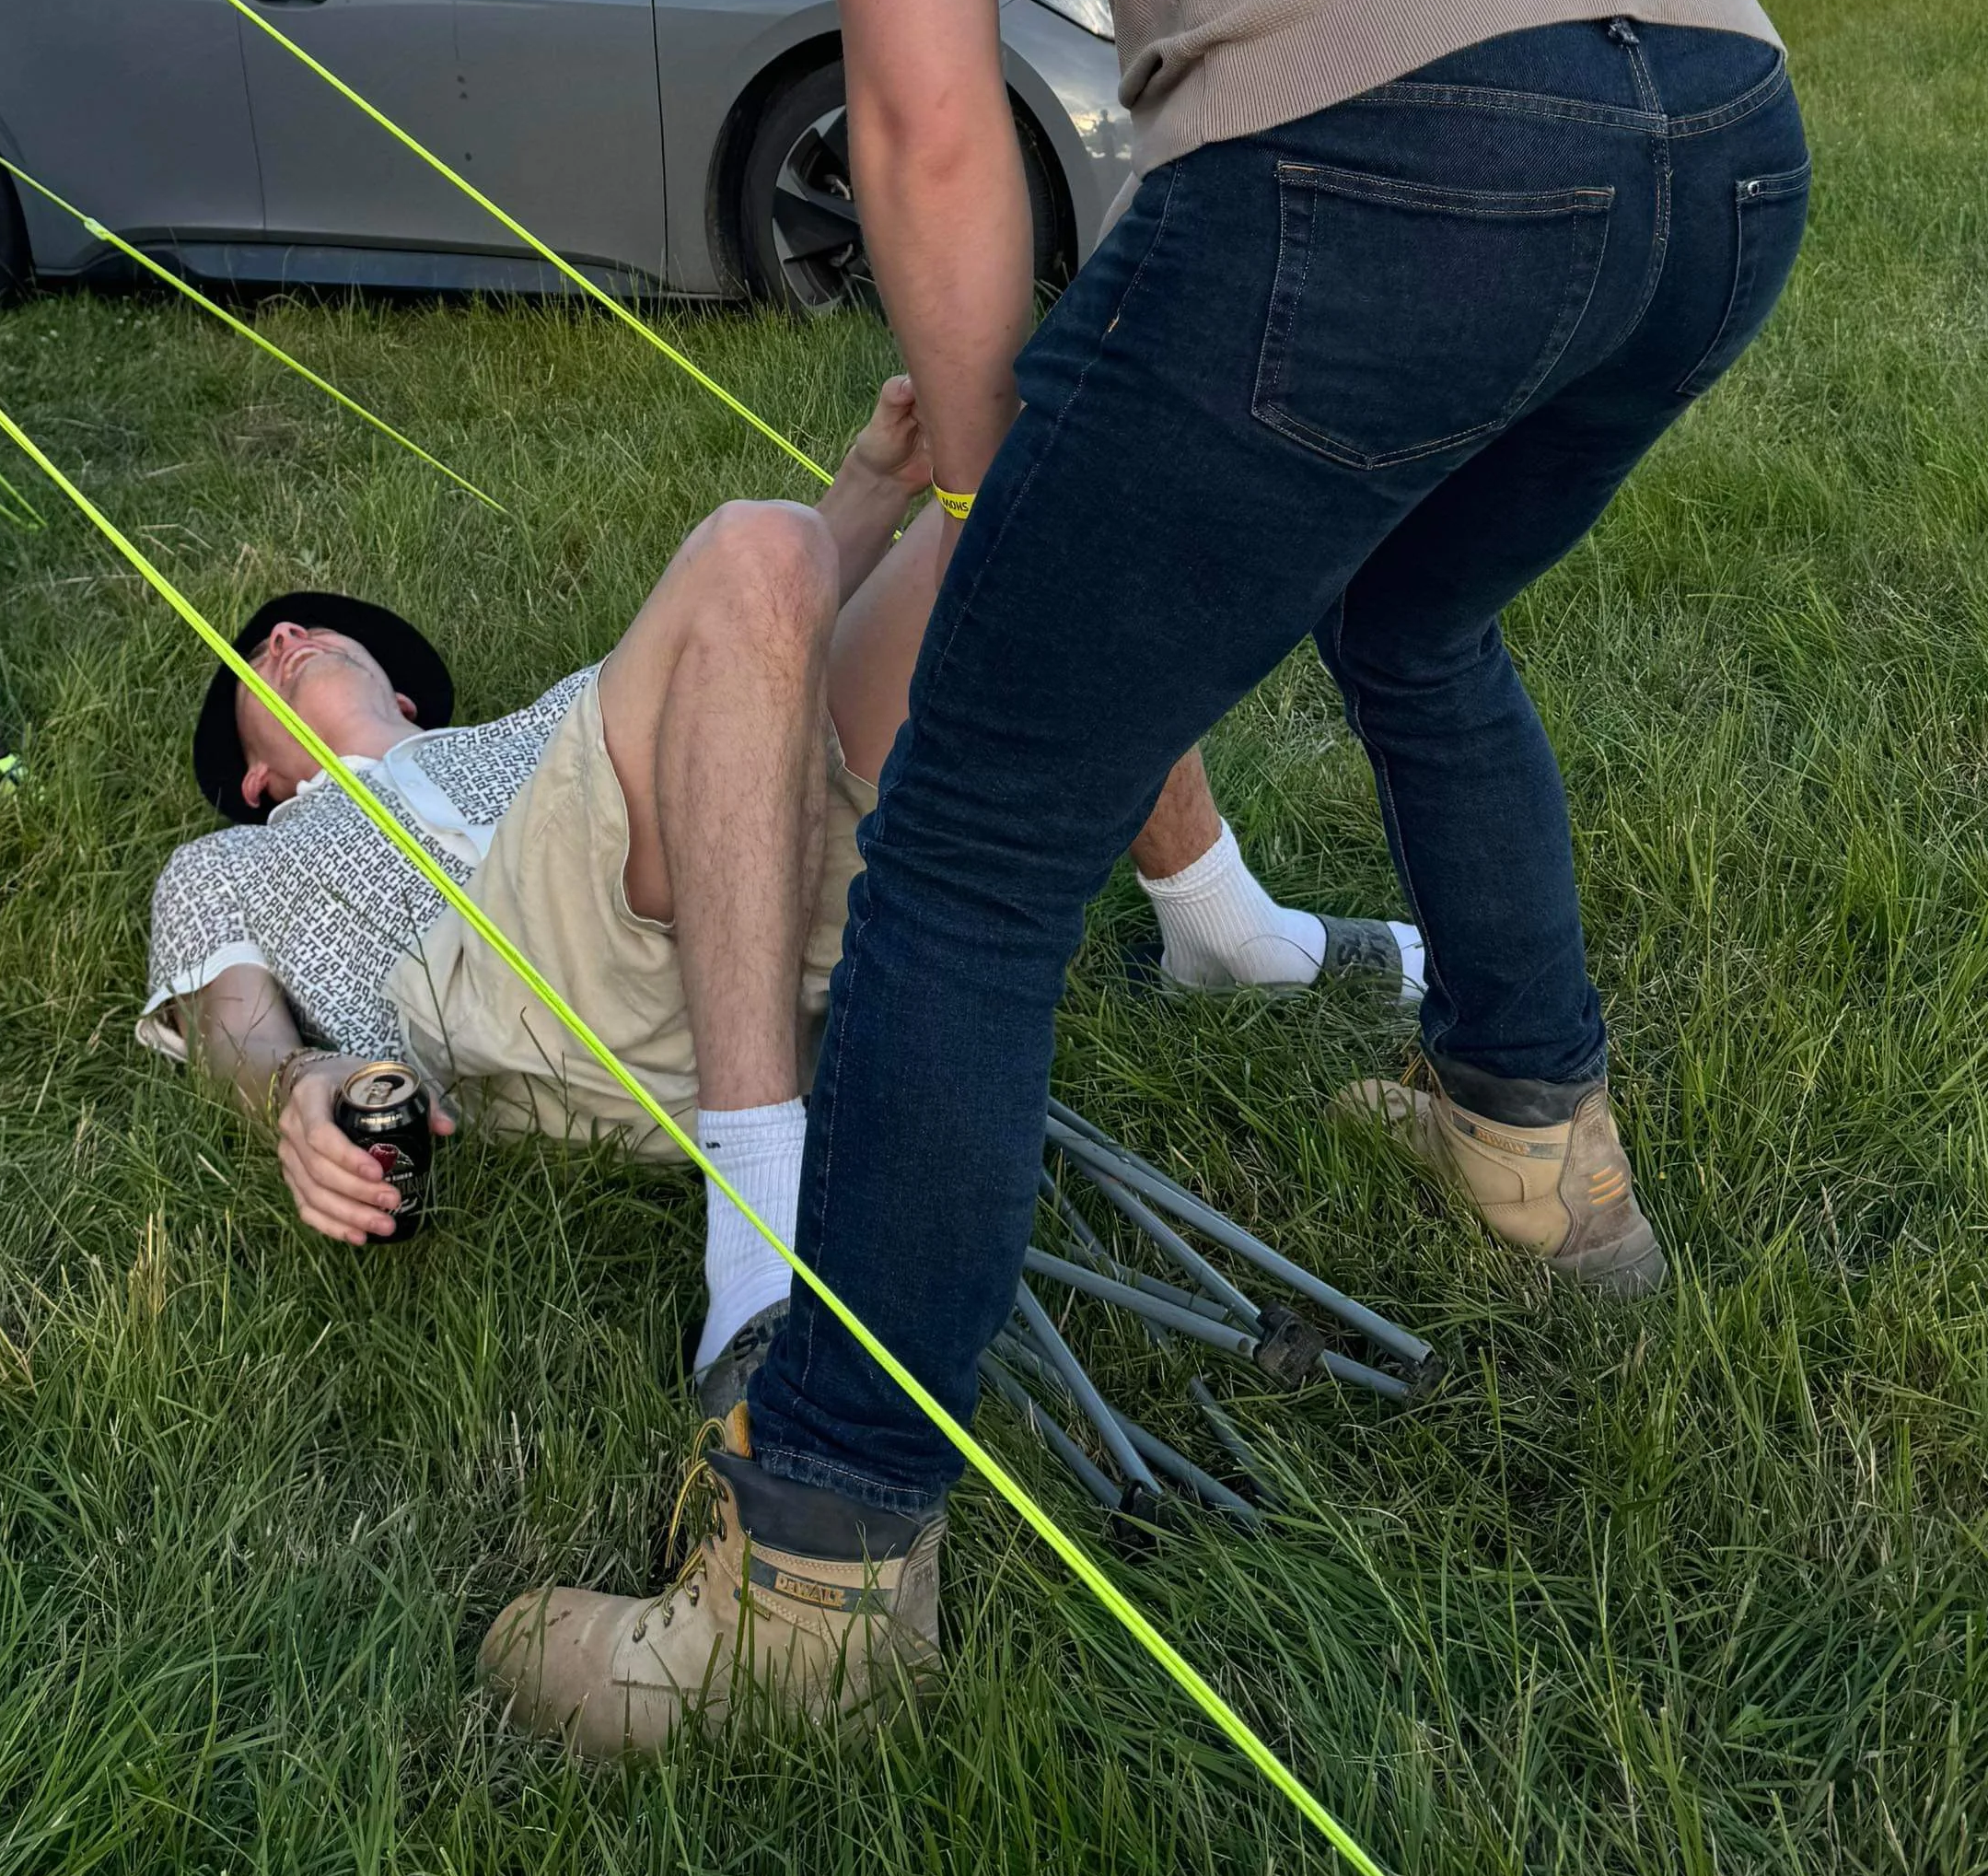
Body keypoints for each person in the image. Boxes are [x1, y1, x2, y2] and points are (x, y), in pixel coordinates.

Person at [489, 0, 1810, 1757]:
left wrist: (1005, 506)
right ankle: (1543, 1161)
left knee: (983, 835)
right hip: (1725, 150)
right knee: (1419, 605)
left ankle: (815, 1582)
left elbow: (922, 114)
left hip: (1398, 167)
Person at [139, 375, 1283, 1420]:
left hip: (764, 906)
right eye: (260, 655)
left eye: (308, 627)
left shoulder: (534, 731)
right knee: (752, 543)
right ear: (254, 776)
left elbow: (762, 633)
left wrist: (880, 479)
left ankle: (1216, 921)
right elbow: (232, 1022)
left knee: (1010, 479)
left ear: (405, 690)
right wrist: (301, 1080)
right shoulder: (229, 861)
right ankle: (755, 1238)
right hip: (519, 1020)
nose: (283, 634)